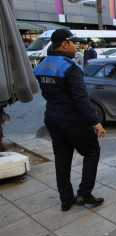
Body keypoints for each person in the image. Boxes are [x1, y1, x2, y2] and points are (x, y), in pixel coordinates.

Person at [33, 28, 106, 212]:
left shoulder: (42, 65)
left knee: (62, 158)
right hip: (73, 120)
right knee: (92, 151)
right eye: (74, 43)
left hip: (52, 118)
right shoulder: (71, 67)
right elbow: (80, 98)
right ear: (64, 44)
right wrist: (94, 121)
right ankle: (84, 194)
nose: (77, 46)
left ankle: (66, 200)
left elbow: (46, 92)